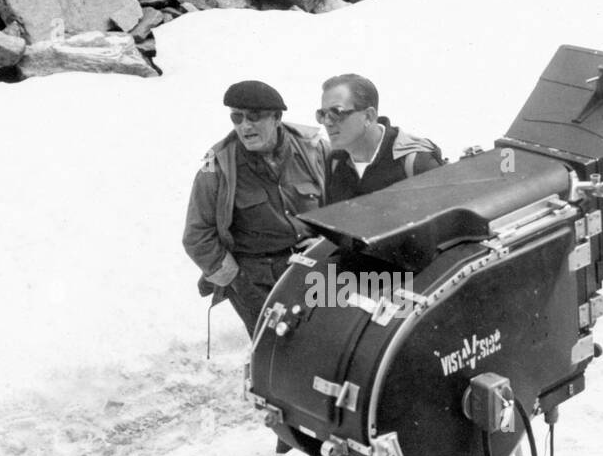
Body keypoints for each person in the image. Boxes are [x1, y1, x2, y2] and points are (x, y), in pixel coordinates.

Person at [183, 80, 328, 337]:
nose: (245, 126)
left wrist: (326, 243)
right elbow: (197, 237)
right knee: (275, 348)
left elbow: (339, 204)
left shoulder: (313, 149)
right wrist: (239, 283)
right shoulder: (216, 166)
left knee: (323, 341)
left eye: (254, 117)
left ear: (277, 117)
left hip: (313, 264)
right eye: (237, 118)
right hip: (255, 278)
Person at [319, 73, 444, 204]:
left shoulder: (415, 160)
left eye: (336, 113)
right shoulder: (335, 162)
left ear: (368, 116)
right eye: (322, 114)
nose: (327, 122)